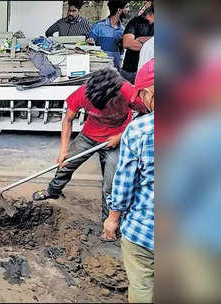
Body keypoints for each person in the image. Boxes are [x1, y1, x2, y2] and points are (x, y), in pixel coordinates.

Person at [31, 67, 147, 235]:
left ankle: (108, 224)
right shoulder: (83, 93)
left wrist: (121, 136)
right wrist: (64, 150)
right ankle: (53, 191)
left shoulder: (127, 91)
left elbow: (147, 116)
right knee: (66, 164)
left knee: (110, 184)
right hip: (89, 136)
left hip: (116, 139)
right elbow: (68, 120)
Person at [103, 58, 154, 302]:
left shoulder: (140, 130)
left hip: (146, 231)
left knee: (143, 286)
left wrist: (113, 219)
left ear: (147, 92)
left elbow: (124, 183)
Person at [88, 0, 130, 68]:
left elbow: (123, 52)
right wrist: (90, 41)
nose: (129, 10)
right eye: (127, 7)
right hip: (100, 68)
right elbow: (89, 44)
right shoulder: (98, 26)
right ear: (119, 10)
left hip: (116, 70)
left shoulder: (123, 30)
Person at [120, 5, 154, 83]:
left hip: (150, 74)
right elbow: (127, 43)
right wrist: (150, 46)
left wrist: (141, 40)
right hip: (129, 70)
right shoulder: (135, 21)